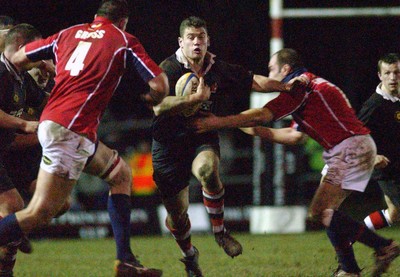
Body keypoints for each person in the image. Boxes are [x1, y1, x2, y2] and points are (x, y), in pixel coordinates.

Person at [191, 48, 400, 277]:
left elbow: (263, 114)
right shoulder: (312, 88)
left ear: (286, 69)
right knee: (328, 212)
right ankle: (350, 268)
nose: (269, 74)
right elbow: (294, 136)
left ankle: (381, 247)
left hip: (349, 149)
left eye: (272, 69)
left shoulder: (299, 88)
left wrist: (219, 121)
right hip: (351, 148)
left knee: (320, 212)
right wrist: (246, 128)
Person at [0, 1, 171, 276]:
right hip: (70, 129)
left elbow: (17, 58)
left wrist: (48, 67)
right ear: (123, 21)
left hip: (65, 126)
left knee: (120, 174)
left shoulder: (68, 32)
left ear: (96, 17)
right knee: (39, 213)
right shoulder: (124, 39)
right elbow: (159, 83)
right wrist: (156, 98)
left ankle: (125, 261)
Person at [147, 16, 302, 277]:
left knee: (208, 170)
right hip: (168, 144)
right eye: (191, 38)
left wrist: (285, 87)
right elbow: (157, 106)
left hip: (200, 135)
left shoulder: (217, 68)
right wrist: (192, 100)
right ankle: (189, 255)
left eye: (201, 37)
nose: (197, 42)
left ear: (208, 40)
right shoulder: (168, 68)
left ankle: (220, 233)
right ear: (181, 42)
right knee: (177, 216)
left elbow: (254, 81)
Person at [0, 23, 46, 277]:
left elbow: (50, 101)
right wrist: (23, 124)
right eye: (36, 49)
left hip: (3, 155)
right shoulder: (0, 72)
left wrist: (56, 71)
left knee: (18, 211)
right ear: (20, 48)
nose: (39, 54)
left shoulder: (21, 79)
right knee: (14, 208)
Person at [357, 53, 400, 231]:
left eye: (397, 72)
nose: (393, 77)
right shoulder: (374, 105)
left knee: (395, 213)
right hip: (387, 169)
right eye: (388, 73)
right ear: (380, 76)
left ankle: (354, 234)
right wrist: (373, 156)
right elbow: (354, 137)